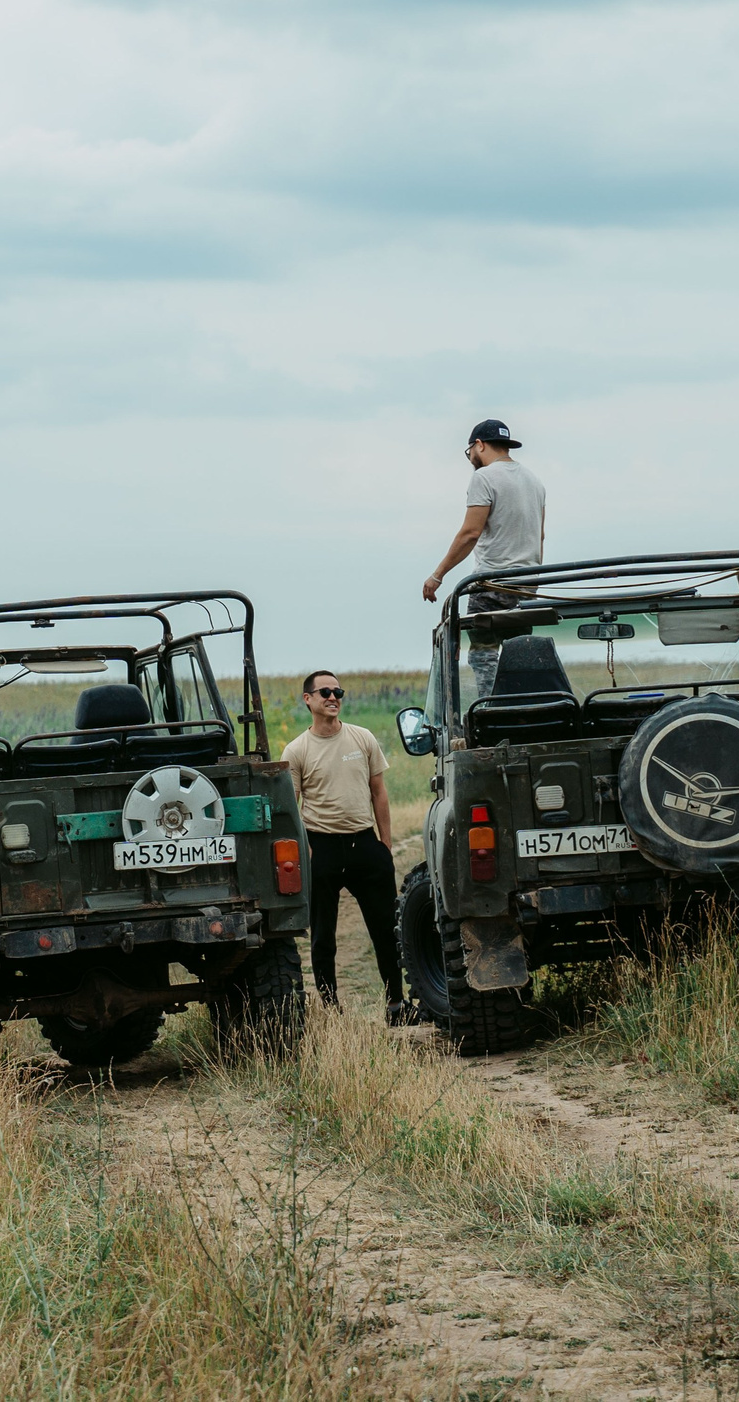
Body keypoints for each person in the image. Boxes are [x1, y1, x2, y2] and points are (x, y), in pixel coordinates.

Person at [280, 672, 409, 1024]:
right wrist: (306, 853)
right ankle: (331, 1008)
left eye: (338, 691)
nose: (333, 697)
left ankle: (396, 1005)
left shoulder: (362, 738)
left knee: (386, 929)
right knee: (323, 936)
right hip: (321, 849)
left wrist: (386, 843)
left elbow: (378, 791)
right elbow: (291, 808)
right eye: (325, 692)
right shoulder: (297, 750)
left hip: (365, 844)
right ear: (308, 699)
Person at [421, 418, 547, 704]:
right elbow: (540, 536)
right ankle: (526, 710)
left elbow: (469, 534)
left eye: (470, 453)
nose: (471, 459)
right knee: (519, 653)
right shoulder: (534, 481)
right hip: (527, 587)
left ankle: (490, 712)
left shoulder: (484, 478)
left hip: (492, 584)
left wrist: (437, 575)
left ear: (479, 445)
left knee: (484, 655)